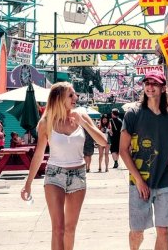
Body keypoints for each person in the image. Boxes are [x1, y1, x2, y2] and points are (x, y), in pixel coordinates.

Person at [21, 82, 108, 250]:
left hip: (78, 175)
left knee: (70, 229)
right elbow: (39, 154)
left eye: (75, 95)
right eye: (71, 95)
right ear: (59, 98)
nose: (76, 98)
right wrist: (28, 183)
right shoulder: (46, 122)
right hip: (54, 175)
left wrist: (83, 123)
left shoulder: (81, 114)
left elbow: (103, 141)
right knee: (58, 228)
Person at [119, 70, 168, 250]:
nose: (150, 87)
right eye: (147, 83)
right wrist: (139, 180)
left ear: (163, 88)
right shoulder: (133, 114)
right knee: (137, 231)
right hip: (138, 182)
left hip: (165, 181)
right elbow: (123, 150)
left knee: (162, 230)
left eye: (154, 83)